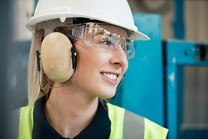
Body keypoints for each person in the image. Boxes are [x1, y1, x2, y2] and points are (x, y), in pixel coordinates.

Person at [12, 0, 168, 138]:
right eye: (106, 41)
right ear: (56, 45)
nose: (122, 61)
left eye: (125, 46)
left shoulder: (149, 135)